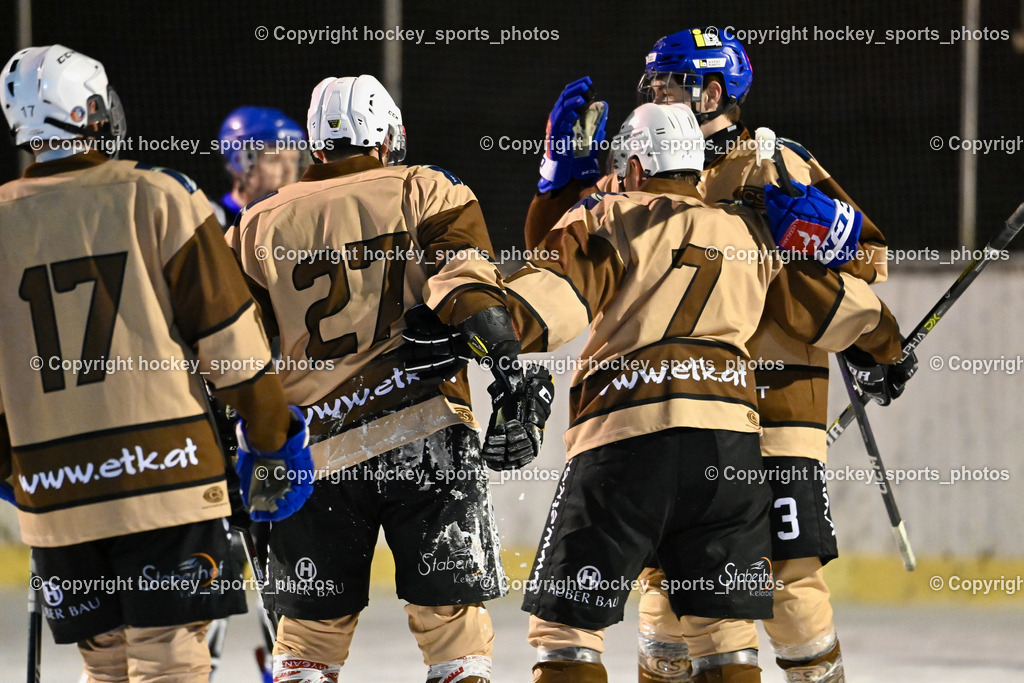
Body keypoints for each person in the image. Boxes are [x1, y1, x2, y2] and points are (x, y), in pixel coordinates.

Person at [528, 28, 915, 683]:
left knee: (789, 584)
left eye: (668, 82)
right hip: (679, 407)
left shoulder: (772, 160)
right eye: (653, 83)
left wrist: (820, 227)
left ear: (713, 91)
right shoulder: (637, 162)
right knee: (671, 585)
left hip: (779, 403)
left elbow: (871, 261)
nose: (654, 92)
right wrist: (557, 185)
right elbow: (557, 259)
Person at [0, 44, 311, 681]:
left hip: (56, 492)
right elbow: (234, 347)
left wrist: (16, 470)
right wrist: (273, 440)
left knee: (108, 666)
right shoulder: (160, 194)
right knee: (170, 661)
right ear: (91, 109)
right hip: (166, 476)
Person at [227, 73, 548, 683]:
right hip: (425, 430)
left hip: (311, 453)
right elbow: (467, 289)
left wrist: (237, 455)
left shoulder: (253, 225)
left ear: (316, 142)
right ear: (387, 134)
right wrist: (507, 364)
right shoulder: (425, 187)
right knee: (455, 634)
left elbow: (232, 355)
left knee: (307, 645)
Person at [212, 106, 306, 229]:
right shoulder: (210, 226)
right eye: (275, 160)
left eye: (294, 160)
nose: (289, 171)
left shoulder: (299, 225)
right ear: (239, 162)